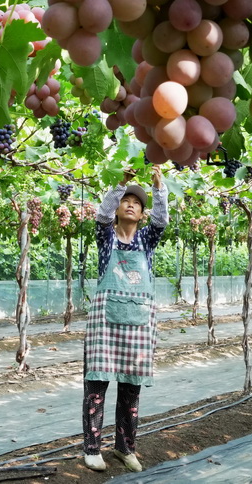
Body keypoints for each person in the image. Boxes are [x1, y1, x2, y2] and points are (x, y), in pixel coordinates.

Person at [81, 166, 168, 472]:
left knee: (130, 390)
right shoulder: (107, 239)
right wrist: (121, 184)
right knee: (97, 386)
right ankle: (92, 449)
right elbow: (101, 215)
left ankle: (125, 448)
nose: (131, 204)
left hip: (138, 321)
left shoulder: (147, 241)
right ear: (118, 209)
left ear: (142, 214)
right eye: (126, 201)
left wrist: (159, 189)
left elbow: (162, 220)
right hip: (106, 321)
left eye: (137, 203)